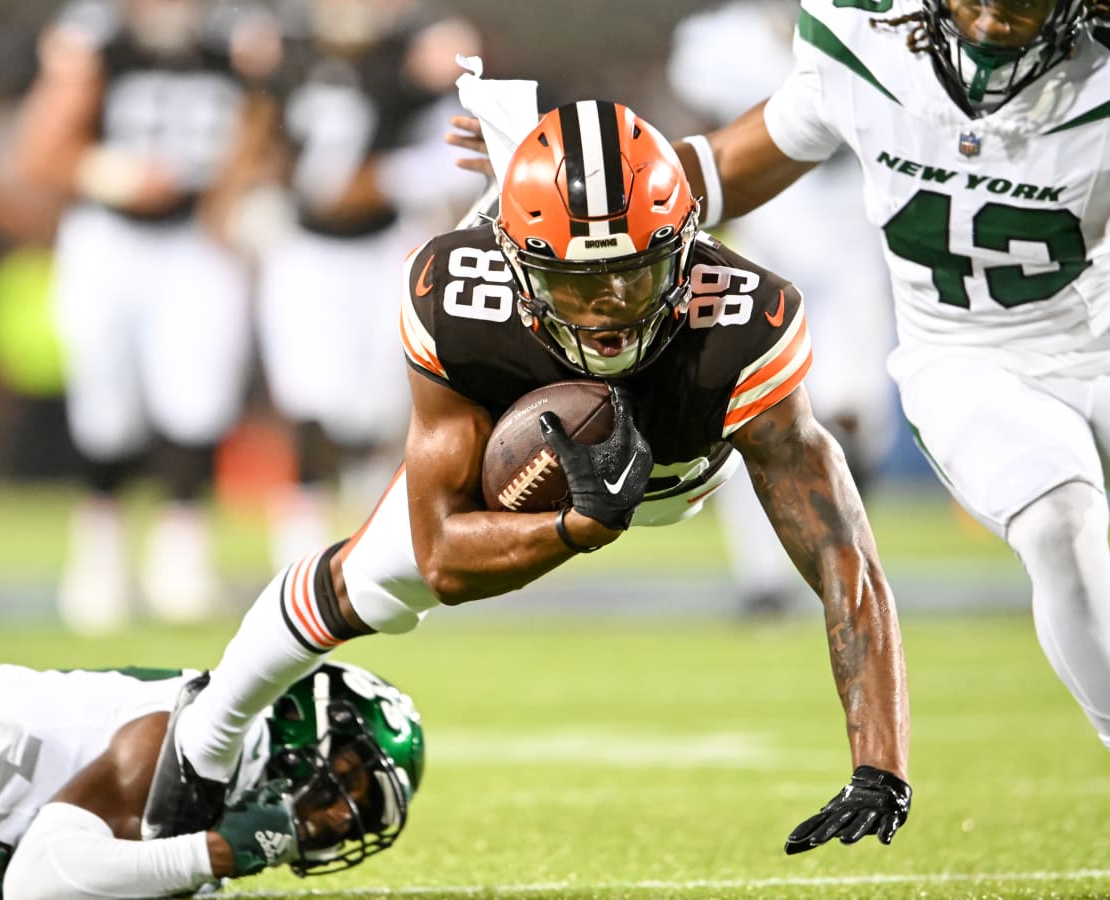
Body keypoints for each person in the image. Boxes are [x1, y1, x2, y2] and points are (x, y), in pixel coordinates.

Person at [141, 99, 912, 857]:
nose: (609, 310)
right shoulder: (460, 293)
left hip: (681, 476)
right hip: (527, 447)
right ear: (516, 264)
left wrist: (881, 764)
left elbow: (847, 559)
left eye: (635, 276)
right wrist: (574, 527)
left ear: (686, 251)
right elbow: (441, 557)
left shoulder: (743, 319)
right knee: (368, 583)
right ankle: (203, 734)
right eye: (576, 284)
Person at [456, 0, 1110, 758]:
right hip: (971, 357)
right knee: (1058, 525)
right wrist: (579, 181)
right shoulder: (864, 41)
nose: (997, 15)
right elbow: (728, 165)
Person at [12, 0, 278, 634]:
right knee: (106, 398)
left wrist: (235, 190)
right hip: (110, 237)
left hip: (197, 238)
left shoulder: (240, 36)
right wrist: (106, 172)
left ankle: (179, 556)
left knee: (198, 398)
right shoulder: (95, 35)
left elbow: (268, 121)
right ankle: (99, 553)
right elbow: (41, 149)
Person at [666, 0, 897, 617]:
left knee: (856, 416)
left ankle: (837, 547)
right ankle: (763, 581)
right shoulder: (715, 38)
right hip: (772, 249)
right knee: (753, 413)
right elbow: (708, 135)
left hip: (855, 244)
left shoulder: (878, 19)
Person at [246, 0, 484, 567]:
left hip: (385, 247)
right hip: (302, 247)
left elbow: (460, 149)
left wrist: (385, 179)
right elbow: (254, 131)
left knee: (384, 398)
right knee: (306, 397)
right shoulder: (279, 47)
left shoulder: (419, 51)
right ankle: (299, 540)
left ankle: (381, 533)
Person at [0, 658, 424, 900]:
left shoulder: (228, 782)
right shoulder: (189, 734)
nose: (341, 818)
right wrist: (220, 851)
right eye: (348, 785)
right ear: (303, 728)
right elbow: (36, 883)